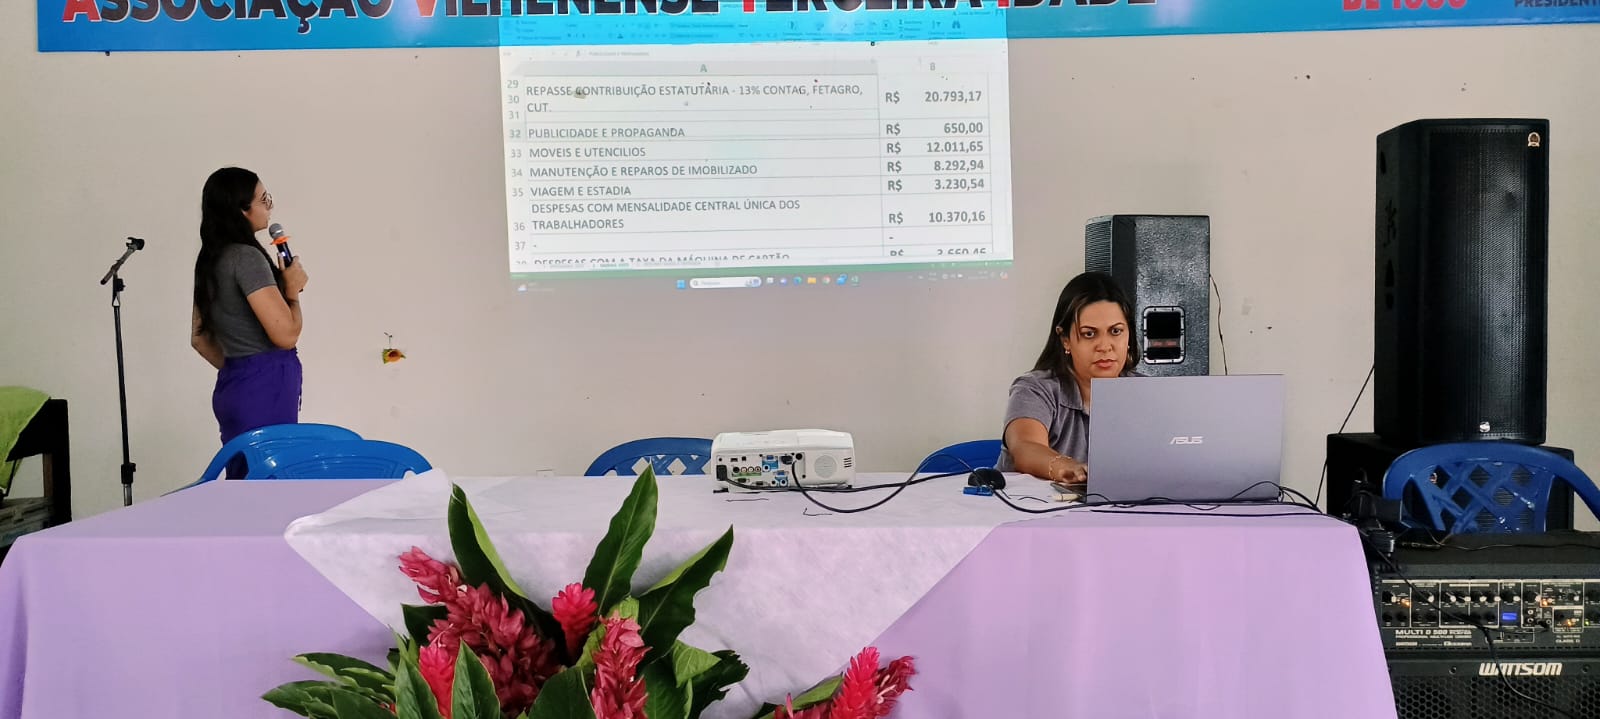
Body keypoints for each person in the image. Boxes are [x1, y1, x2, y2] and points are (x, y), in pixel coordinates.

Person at [189, 167, 309, 446]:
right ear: (242, 210)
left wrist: (241, 370)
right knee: (269, 472)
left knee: (244, 470)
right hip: (265, 390)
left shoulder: (210, 258)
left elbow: (199, 339)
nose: (270, 207)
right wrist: (292, 293)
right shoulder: (246, 257)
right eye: (264, 200)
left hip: (235, 387)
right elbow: (286, 335)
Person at [995, 271, 1140, 485]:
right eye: (1089, 334)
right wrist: (1066, 467)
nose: (1105, 346)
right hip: (1032, 504)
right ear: (1065, 340)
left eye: (1116, 331)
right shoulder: (1035, 389)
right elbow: (1025, 447)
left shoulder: (1146, 391)